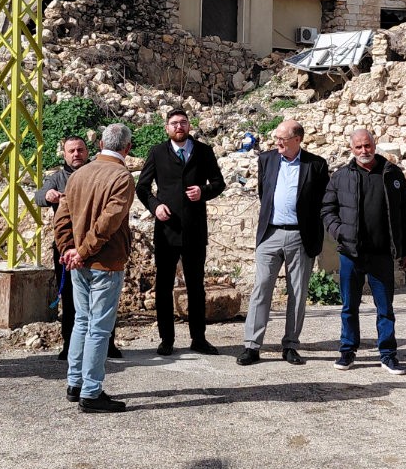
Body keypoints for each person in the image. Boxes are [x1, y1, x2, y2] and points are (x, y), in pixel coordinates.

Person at [320, 128, 406, 375]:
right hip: (351, 254)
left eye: (368, 146)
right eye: (359, 147)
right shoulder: (341, 176)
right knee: (349, 307)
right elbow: (327, 209)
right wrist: (339, 232)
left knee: (385, 308)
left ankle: (388, 354)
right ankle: (348, 351)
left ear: (374, 146)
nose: (364, 151)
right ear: (352, 149)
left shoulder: (392, 174)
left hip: (382, 255)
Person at [55, 123, 136, 413]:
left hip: (79, 261)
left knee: (81, 322)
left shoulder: (78, 175)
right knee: (99, 328)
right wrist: (84, 250)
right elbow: (108, 222)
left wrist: (69, 250)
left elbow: (62, 218)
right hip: (105, 261)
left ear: (100, 145)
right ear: (126, 148)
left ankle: (74, 383)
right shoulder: (122, 177)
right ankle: (91, 391)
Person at [237, 120, 329, 366]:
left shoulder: (316, 165)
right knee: (261, 289)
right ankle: (252, 346)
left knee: (297, 293)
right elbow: (263, 193)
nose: (277, 142)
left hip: (300, 236)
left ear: (297, 139)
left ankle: (290, 346)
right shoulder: (267, 159)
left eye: (282, 138)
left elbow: (322, 202)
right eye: (276, 137)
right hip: (270, 234)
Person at [136, 108, 226, 355]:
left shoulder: (203, 151)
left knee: (196, 286)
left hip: (195, 230)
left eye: (183, 123)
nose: (179, 127)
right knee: (164, 286)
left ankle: (199, 339)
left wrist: (203, 192)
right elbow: (142, 188)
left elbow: (219, 183)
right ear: (167, 127)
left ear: (189, 126)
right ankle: (167, 339)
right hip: (167, 231)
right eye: (174, 123)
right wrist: (156, 207)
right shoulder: (157, 152)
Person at [35, 136, 121, 360]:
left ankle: (108, 344)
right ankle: (69, 344)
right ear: (64, 154)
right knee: (69, 297)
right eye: (71, 151)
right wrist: (48, 195)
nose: (76, 154)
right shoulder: (57, 178)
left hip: (97, 246)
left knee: (103, 299)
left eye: (80, 150)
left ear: (88, 151)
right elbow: (38, 196)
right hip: (67, 247)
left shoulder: (97, 172)